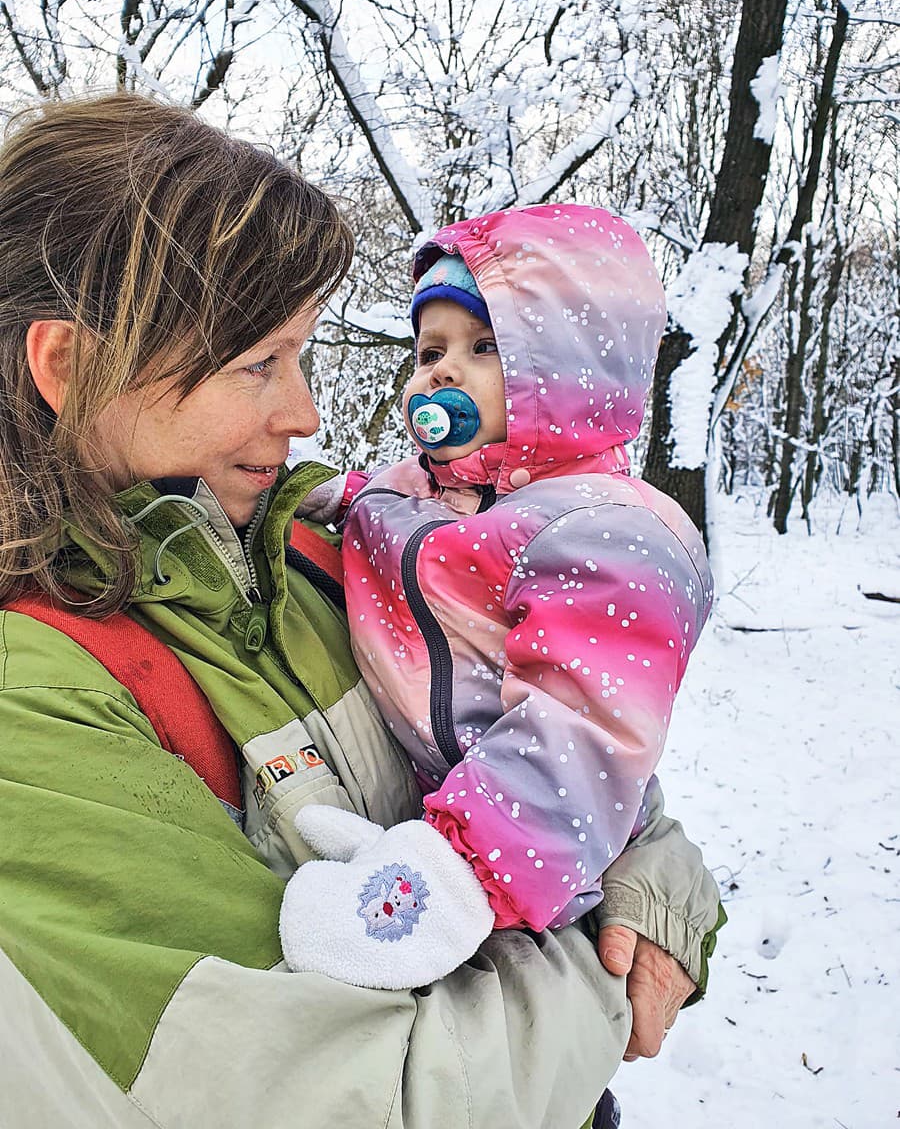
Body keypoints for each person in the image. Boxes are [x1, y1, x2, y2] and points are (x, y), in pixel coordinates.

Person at [0, 93, 723, 1129]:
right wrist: (604, 947)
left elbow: (541, 736)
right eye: (258, 362)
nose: (305, 415)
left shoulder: (315, 551)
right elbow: (396, 1099)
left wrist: (650, 856)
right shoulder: (34, 697)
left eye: (302, 353)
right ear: (67, 367)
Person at [280, 206, 714, 1003]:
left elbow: (577, 735)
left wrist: (454, 872)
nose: (442, 371)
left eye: (486, 348)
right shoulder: (425, 491)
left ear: (575, 371)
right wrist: (334, 497)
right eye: (431, 351)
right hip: (439, 803)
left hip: (520, 853)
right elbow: (386, 506)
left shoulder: (607, 534)